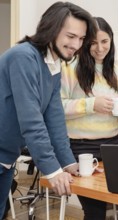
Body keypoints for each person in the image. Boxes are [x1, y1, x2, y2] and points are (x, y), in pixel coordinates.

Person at [0, 1, 97, 217]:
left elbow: (54, 118)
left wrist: (68, 162)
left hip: (6, 158)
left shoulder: (53, 66)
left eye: (81, 39)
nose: (76, 45)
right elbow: (31, 120)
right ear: (51, 29)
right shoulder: (23, 57)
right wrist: (53, 170)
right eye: (70, 36)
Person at [61, 17, 118, 220]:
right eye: (93, 42)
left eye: (104, 41)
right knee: (95, 210)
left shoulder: (117, 73)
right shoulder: (71, 68)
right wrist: (91, 104)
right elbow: (57, 107)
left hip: (112, 145)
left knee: (113, 203)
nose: (99, 48)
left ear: (111, 41)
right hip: (81, 147)